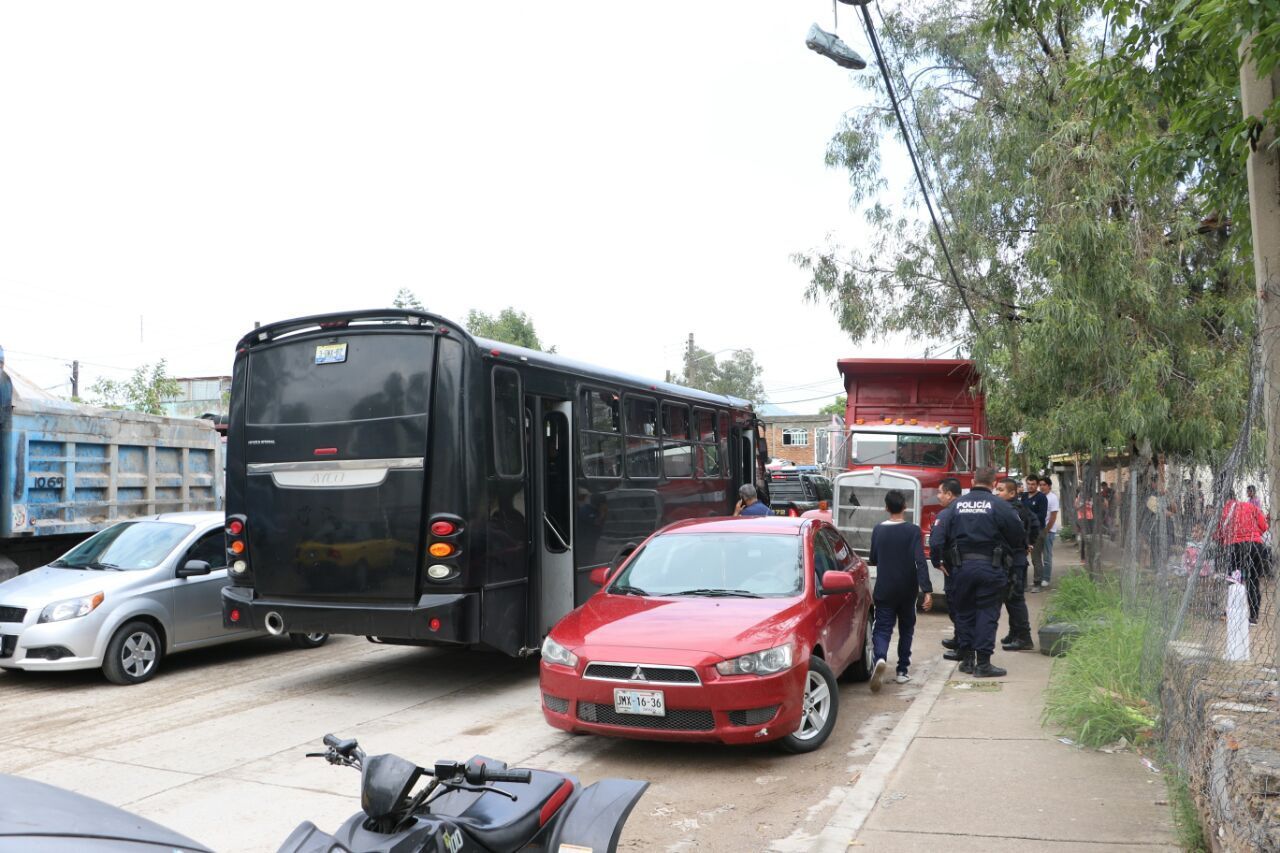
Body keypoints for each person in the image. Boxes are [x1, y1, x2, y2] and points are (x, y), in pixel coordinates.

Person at [944, 466, 1025, 677]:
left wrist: (944, 562)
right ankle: (983, 664)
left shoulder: (956, 505)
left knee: (965, 613)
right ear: (993, 483)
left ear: (972, 481)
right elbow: (1018, 535)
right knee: (987, 614)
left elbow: (938, 537)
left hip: (962, 568)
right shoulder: (1000, 506)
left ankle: (968, 660)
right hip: (992, 567)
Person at [867, 489, 932, 690]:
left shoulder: (878, 530)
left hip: (885, 587)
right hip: (907, 589)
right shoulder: (913, 531)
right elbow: (920, 561)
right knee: (906, 629)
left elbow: (874, 558)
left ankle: (880, 658)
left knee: (883, 627)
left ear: (886, 508)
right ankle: (902, 671)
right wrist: (927, 590)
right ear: (905, 507)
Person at [997, 477, 1039, 652]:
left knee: (1015, 599)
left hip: (1014, 560)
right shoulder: (1019, 507)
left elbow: (1034, 525)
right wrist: (1029, 543)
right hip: (1014, 558)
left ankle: (1024, 637)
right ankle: (1014, 632)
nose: (997, 493)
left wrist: (1027, 543)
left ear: (1012, 493)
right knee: (1009, 598)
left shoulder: (1013, 510)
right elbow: (1035, 524)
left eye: (1001, 490)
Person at [1215, 489, 1269, 624]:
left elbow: (1218, 535)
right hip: (1255, 545)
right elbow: (1264, 525)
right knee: (1253, 580)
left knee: (1234, 579)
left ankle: (1232, 611)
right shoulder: (1250, 506)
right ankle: (1254, 617)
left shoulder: (1224, 511)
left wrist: (1227, 540)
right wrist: (1254, 535)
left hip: (1236, 547)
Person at [931, 477, 963, 658]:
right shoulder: (968, 509)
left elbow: (936, 542)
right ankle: (959, 639)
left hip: (953, 566)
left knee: (956, 605)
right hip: (972, 564)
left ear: (949, 494)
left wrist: (938, 562)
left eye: (940, 492)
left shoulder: (946, 514)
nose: (938, 496)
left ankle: (962, 647)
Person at [1023, 475, 1048, 590]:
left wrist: (1027, 517)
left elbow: (1042, 516)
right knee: (1022, 557)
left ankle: (1037, 583)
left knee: (1036, 558)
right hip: (1024, 531)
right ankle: (1023, 584)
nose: (1030, 486)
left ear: (1037, 485)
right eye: (1028, 484)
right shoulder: (1023, 496)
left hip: (1037, 531)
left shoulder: (1041, 497)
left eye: (1033, 484)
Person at [1036, 476, 1060, 590]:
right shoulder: (1039, 497)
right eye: (1040, 485)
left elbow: (1053, 516)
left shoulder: (1052, 498)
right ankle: (1039, 578)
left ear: (1049, 486)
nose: (1041, 487)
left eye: (1044, 485)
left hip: (1048, 531)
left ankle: (1046, 578)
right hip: (1038, 530)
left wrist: (1046, 530)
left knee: (1047, 555)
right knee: (1036, 556)